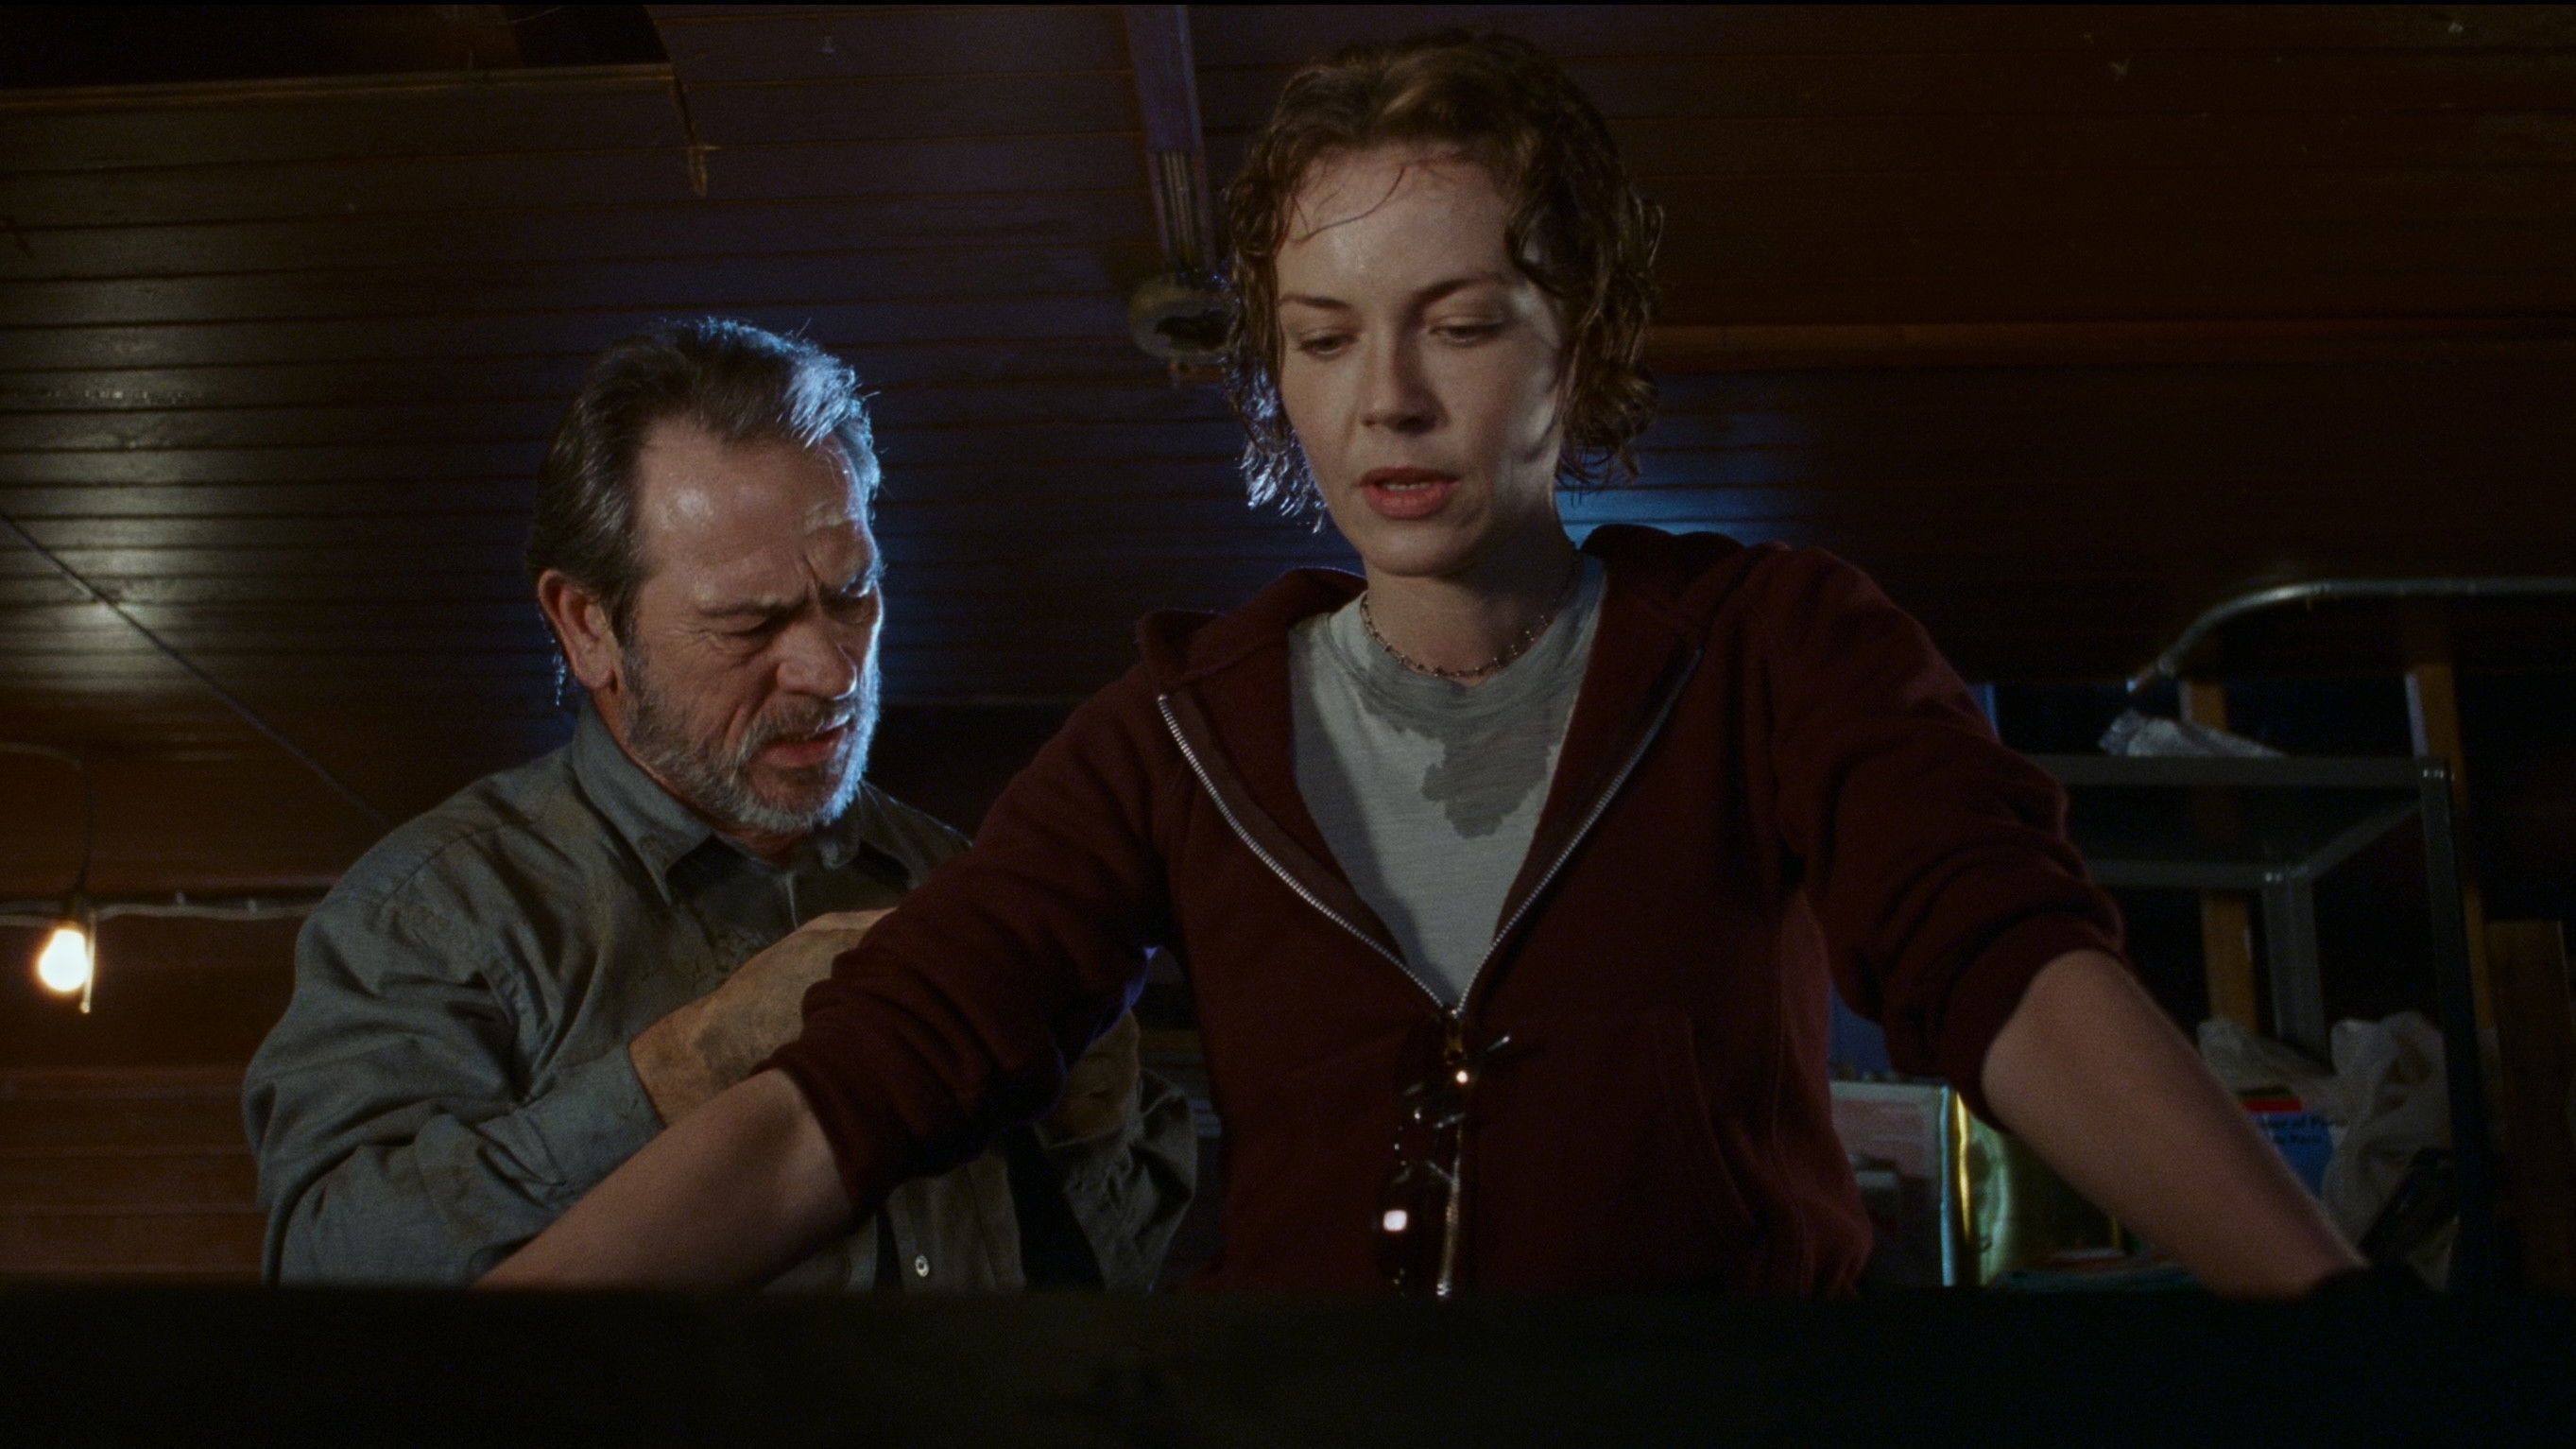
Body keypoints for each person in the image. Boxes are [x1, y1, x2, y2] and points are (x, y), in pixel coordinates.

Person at [484, 35, 2361, 1298]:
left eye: (1457, 323)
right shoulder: (1175, 738)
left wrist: (2336, 1315)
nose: (1384, 399)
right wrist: (461, 1365)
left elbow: (2005, 968)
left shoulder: (1780, 652)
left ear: (1579, 333)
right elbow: (858, 1089)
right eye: (1321, 337)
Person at [244, 320, 1195, 1291]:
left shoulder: (960, 879)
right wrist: (687, 1067)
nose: (831, 671)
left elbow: (1112, 1294)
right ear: (587, 626)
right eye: (749, 623)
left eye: (852, 593)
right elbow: (330, 1274)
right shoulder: (433, 917)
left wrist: (1091, 1123)